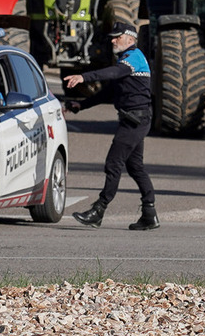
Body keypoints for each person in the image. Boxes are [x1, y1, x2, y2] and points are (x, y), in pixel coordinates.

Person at [62, 21, 159, 231]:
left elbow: (113, 74)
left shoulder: (134, 57)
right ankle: (149, 214)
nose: (113, 40)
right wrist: (81, 105)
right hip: (133, 119)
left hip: (136, 120)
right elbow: (109, 92)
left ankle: (98, 210)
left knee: (113, 163)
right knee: (135, 167)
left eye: (117, 37)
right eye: (112, 37)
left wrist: (83, 77)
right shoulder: (125, 60)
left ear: (130, 38)